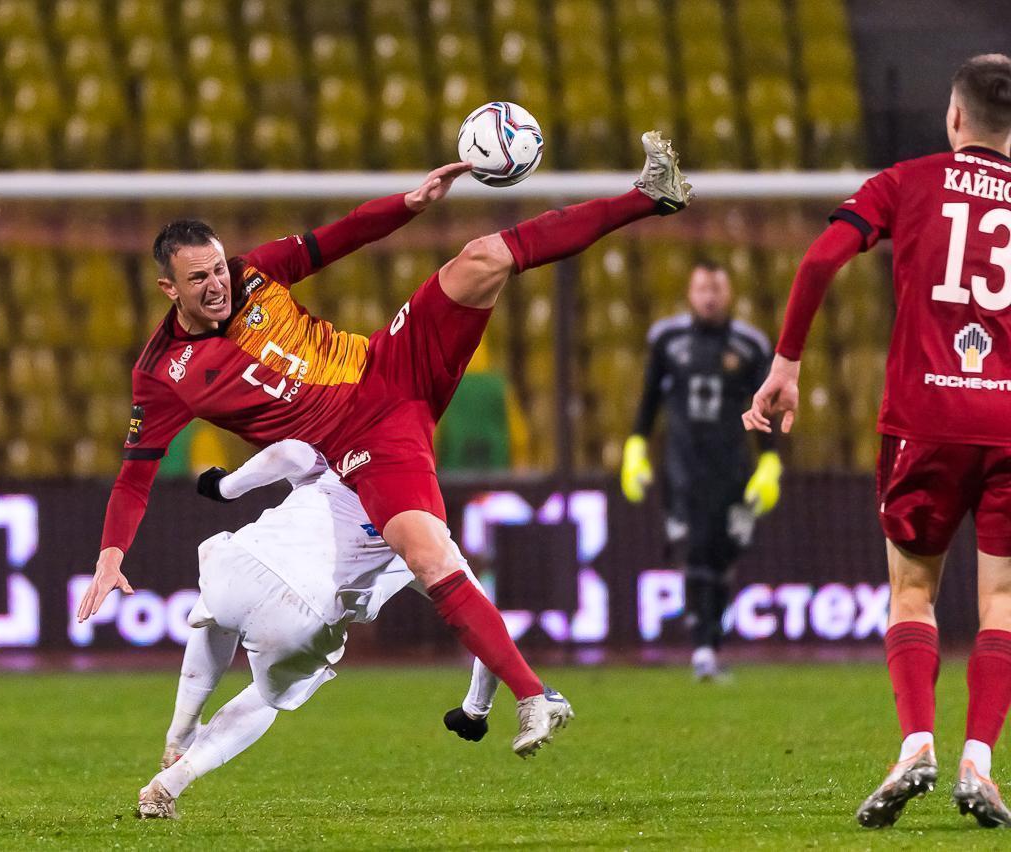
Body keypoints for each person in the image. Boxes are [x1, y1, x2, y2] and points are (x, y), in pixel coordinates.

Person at [77, 130, 691, 756]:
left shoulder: (253, 272)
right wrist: (110, 555)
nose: (217, 285)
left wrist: (409, 203)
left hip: (390, 362)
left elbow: (339, 237)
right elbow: (135, 475)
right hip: (362, 443)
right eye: (198, 278)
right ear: (169, 289)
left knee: (482, 257)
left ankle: (649, 196)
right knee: (428, 557)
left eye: (216, 269)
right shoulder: (161, 374)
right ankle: (534, 696)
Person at [745, 54, 1011, 829]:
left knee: (913, 591)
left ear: (954, 116)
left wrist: (787, 364)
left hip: (924, 420)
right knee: (1001, 601)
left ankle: (917, 744)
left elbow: (821, 257)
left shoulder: (909, 180)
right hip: (1007, 425)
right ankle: (979, 761)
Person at [137, 440, 501, 819]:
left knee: (215, 614)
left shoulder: (336, 463)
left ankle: (181, 730)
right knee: (267, 696)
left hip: (240, 564)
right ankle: (170, 783)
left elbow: (288, 452)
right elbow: (487, 626)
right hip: (301, 613)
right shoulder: (429, 537)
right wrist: (475, 710)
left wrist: (225, 486)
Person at [621, 260, 781, 680]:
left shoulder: (751, 345)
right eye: (702, 289)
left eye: (717, 289)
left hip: (732, 468)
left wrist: (769, 460)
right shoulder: (666, 340)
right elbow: (649, 399)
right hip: (682, 468)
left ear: (729, 294)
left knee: (723, 556)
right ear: (690, 294)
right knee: (692, 551)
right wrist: (636, 445)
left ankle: (711, 643)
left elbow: (765, 408)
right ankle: (703, 649)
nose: (709, 298)